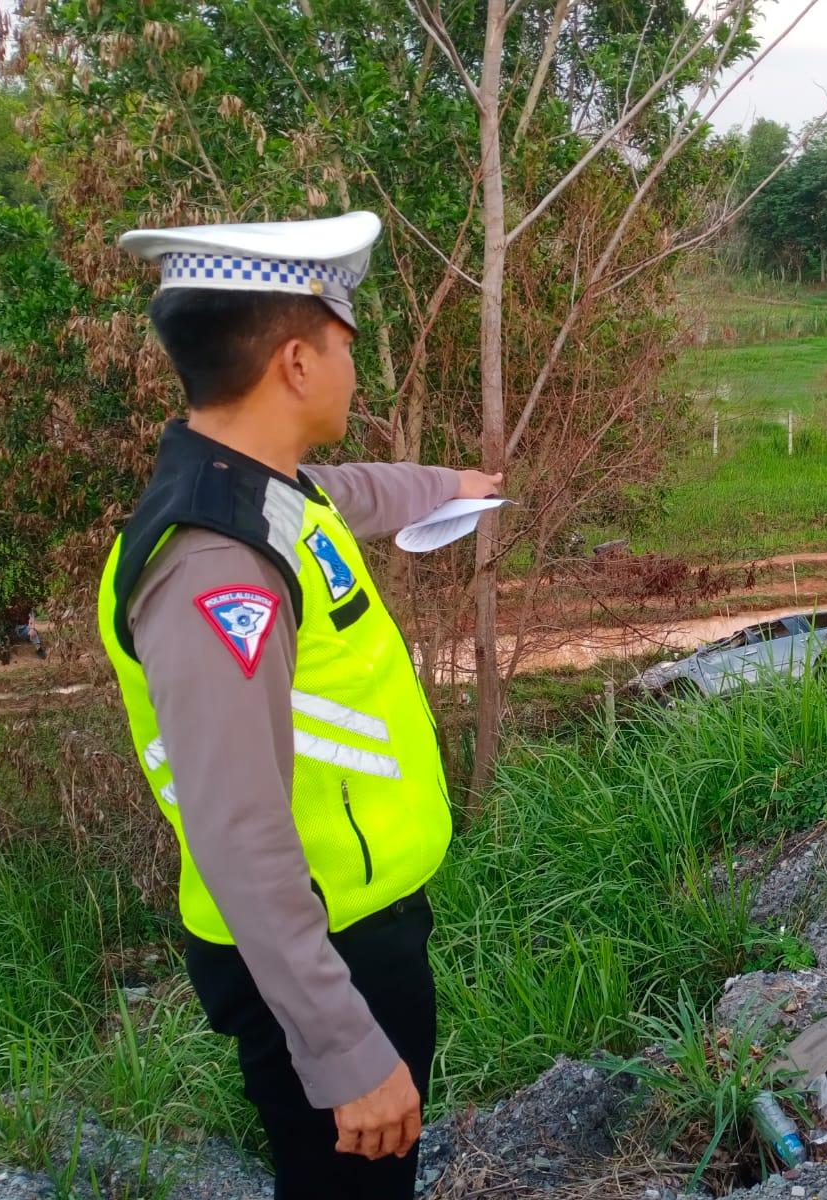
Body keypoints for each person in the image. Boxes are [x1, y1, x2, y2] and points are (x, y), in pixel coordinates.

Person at [97, 211, 501, 1199]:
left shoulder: (257, 489)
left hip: (358, 927)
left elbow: (340, 496)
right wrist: (341, 1050)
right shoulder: (213, 571)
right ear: (295, 363)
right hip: (318, 960)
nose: (353, 367)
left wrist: (442, 486)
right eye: (344, 343)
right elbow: (239, 834)